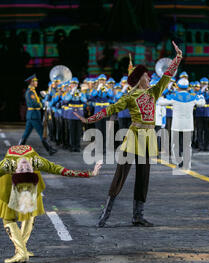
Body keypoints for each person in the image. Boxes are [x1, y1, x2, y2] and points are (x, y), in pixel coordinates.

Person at [74, 41, 183, 228]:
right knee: (120, 175)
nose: (149, 78)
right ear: (139, 78)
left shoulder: (154, 92)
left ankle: (138, 216)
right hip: (134, 135)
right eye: (146, 76)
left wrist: (177, 58)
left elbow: (166, 75)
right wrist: (89, 120)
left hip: (148, 137)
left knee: (144, 176)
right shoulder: (130, 96)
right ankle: (105, 213)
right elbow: (111, 109)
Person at [0, 145, 102, 263]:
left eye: (27, 167)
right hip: (9, 187)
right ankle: (22, 250)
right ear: (15, 171)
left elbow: (62, 170)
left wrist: (91, 173)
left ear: (34, 169)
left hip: (29, 186)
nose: (25, 166)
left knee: (28, 214)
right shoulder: (6, 166)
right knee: (8, 218)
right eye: (22, 168)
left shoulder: (37, 162)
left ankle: (21, 250)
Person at [159, 77, 205, 170]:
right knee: (187, 145)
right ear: (188, 87)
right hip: (188, 125)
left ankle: (178, 162)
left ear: (178, 87)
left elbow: (160, 102)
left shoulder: (174, 96)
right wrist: (200, 95)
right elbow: (202, 103)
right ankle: (187, 162)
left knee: (175, 145)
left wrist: (163, 93)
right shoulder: (192, 97)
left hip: (176, 125)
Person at [18, 74, 57, 155]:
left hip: (33, 115)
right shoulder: (30, 92)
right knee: (42, 133)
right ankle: (49, 149)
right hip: (34, 115)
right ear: (32, 82)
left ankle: (18, 149)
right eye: (35, 81)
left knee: (26, 134)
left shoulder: (33, 91)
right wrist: (43, 104)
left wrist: (45, 97)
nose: (37, 82)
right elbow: (34, 103)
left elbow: (39, 100)